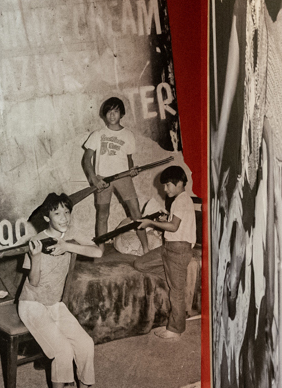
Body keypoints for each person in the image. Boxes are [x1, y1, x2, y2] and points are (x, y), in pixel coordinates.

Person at [18, 192, 103, 388]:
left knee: (85, 344)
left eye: (67, 212)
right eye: (57, 213)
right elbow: (34, 282)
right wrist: (35, 257)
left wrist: (67, 246)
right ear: (47, 217)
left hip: (54, 304)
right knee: (63, 351)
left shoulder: (71, 232)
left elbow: (98, 252)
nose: (64, 218)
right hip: (32, 304)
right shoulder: (36, 241)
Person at [137, 164, 197, 341]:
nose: (165, 188)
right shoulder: (179, 201)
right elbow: (174, 223)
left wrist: (151, 223)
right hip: (169, 247)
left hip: (178, 249)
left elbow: (173, 226)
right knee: (140, 264)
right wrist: (164, 218)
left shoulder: (182, 200)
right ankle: (176, 277)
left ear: (179, 183)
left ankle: (175, 329)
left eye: (168, 185)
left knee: (176, 292)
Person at [82, 97, 142, 241]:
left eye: (115, 111)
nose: (112, 115)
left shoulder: (128, 135)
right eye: (109, 111)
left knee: (136, 213)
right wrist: (94, 178)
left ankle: (146, 247)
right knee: (102, 215)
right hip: (103, 179)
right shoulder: (97, 134)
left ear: (121, 113)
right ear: (104, 114)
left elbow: (129, 159)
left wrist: (132, 170)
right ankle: (100, 249)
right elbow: (86, 159)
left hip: (123, 177)